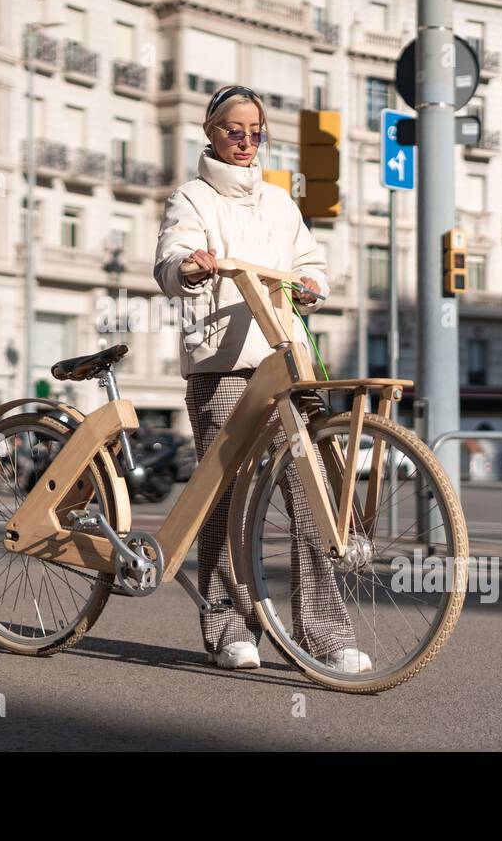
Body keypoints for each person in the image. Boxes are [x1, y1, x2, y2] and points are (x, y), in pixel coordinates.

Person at [152, 83, 369, 674]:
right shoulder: (192, 198)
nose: (246, 139)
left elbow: (310, 264)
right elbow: (170, 259)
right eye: (233, 129)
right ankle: (230, 628)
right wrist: (190, 267)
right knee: (226, 498)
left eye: (256, 130)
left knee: (309, 493)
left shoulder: (280, 202)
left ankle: (325, 633)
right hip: (222, 363)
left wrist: (312, 286)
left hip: (285, 358)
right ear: (210, 132)